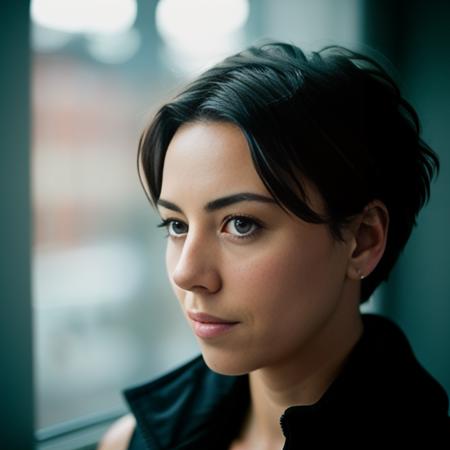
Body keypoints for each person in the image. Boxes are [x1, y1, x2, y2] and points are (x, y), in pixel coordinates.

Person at [98, 41, 449, 449]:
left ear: (362, 240)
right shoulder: (129, 442)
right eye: (176, 225)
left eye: (241, 224)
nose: (187, 274)